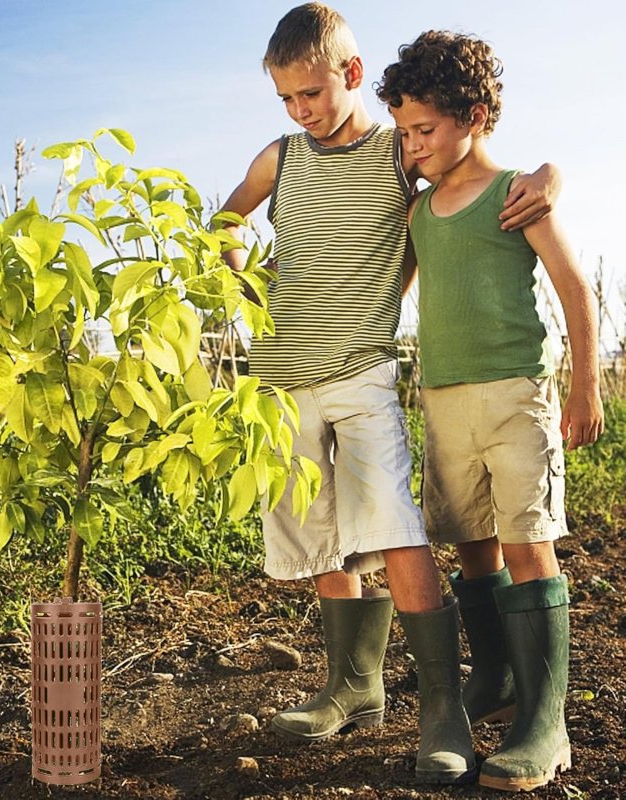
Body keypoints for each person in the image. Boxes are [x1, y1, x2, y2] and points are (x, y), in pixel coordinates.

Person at [219, 3, 560, 785]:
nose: (301, 110)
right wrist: (234, 249)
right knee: (319, 530)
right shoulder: (281, 158)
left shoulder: (396, 152)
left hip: (362, 368)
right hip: (279, 374)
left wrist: (549, 175)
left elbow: (471, 158)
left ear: (352, 74)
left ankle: (442, 706)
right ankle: (352, 688)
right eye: (287, 100)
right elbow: (225, 218)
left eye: (311, 93)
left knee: (396, 526)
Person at [375, 30, 605, 792]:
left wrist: (584, 388)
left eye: (425, 131)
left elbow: (574, 288)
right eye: (404, 133)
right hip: (443, 400)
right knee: (472, 544)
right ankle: (501, 678)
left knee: (527, 543)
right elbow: (386, 296)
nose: (413, 147)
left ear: (473, 114)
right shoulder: (417, 216)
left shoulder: (518, 194)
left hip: (516, 395)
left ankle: (547, 721)